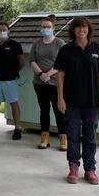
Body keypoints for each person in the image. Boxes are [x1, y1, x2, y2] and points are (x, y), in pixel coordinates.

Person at [55, 17, 99, 185]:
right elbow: (60, 76)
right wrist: (60, 98)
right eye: (78, 27)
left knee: (90, 136)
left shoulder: (97, 49)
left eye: (84, 27)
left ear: (89, 29)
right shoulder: (66, 50)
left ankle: (90, 169)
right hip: (71, 102)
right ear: (73, 30)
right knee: (72, 135)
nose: (81, 30)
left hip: (93, 102)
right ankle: (73, 167)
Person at [29, 16, 66, 150]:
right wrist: (40, 74)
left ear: (53, 28)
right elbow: (32, 61)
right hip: (39, 83)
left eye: (48, 27)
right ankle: (44, 138)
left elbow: (62, 62)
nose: (45, 29)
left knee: (59, 111)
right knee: (44, 110)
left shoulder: (59, 43)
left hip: (56, 83)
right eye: (43, 27)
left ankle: (63, 139)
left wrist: (48, 74)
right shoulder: (36, 44)